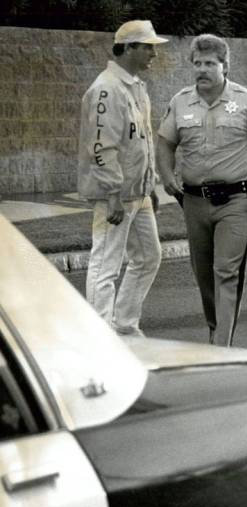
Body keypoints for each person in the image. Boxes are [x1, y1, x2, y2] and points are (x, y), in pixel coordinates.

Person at [157, 34, 247, 347]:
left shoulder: (246, 101)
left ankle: (221, 345)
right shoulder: (180, 102)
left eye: (209, 63)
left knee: (225, 272)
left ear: (224, 66)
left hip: (235, 202)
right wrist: (165, 175)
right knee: (203, 274)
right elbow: (164, 143)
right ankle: (215, 326)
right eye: (197, 63)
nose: (202, 69)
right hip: (193, 201)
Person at [78, 20, 167, 337]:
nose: (153, 55)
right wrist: (112, 192)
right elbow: (101, 146)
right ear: (128, 48)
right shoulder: (106, 89)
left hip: (138, 193)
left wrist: (150, 184)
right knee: (105, 263)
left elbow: (140, 140)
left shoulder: (135, 86)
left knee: (148, 257)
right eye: (148, 47)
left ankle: (124, 325)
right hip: (114, 195)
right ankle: (98, 334)